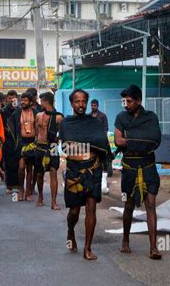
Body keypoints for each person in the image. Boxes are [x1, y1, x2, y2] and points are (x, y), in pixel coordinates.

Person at [59, 89, 111, 261]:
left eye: (83, 101)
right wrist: (88, 146)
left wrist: (92, 151)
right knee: (74, 211)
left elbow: (102, 144)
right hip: (74, 170)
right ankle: (70, 231)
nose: (80, 105)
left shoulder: (94, 123)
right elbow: (67, 147)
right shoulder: (66, 124)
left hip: (93, 169)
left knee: (91, 206)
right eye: (77, 101)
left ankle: (87, 248)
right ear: (71, 103)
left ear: (87, 103)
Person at [114, 85, 162, 260]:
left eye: (129, 101)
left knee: (151, 204)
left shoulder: (151, 117)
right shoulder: (121, 117)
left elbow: (155, 139)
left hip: (148, 164)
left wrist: (130, 138)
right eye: (124, 101)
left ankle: (153, 247)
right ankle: (125, 240)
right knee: (129, 204)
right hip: (129, 166)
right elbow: (118, 141)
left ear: (139, 101)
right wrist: (141, 140)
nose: (126, 104)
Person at [35, 92, 64, 209]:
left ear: (46, 102)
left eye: (41, 101)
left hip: (52, 147)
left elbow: (62, 133)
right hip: (40, 146)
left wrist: (56, 140)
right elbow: (37, 131)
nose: (40, 103)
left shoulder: (58, 117)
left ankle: (54, 202)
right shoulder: (38, 115)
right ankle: (40, 197)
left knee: (53, 172)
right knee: (39, 173)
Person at [8, 91, 39, 201]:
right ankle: (21, 189)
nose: (23, 102)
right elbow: (10, 124)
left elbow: (39, 127)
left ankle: (28, 192)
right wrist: (15, 138)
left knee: (30, 168)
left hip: (32, 143)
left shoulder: (36, 113)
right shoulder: (17, 113)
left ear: (31, 102)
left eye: (26, 100)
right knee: (21, 167)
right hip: (21, 143)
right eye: (22, 100)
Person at [1, 90, 20, 193]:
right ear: (7, 99)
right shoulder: (3, 112)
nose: (12, 100)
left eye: (14, 98)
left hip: (19, 141)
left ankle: (18, 185)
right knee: (9, 164)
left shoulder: (20, 110)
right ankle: (9, 186)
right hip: (7, 141)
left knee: (18, 164)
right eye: (10, 98)